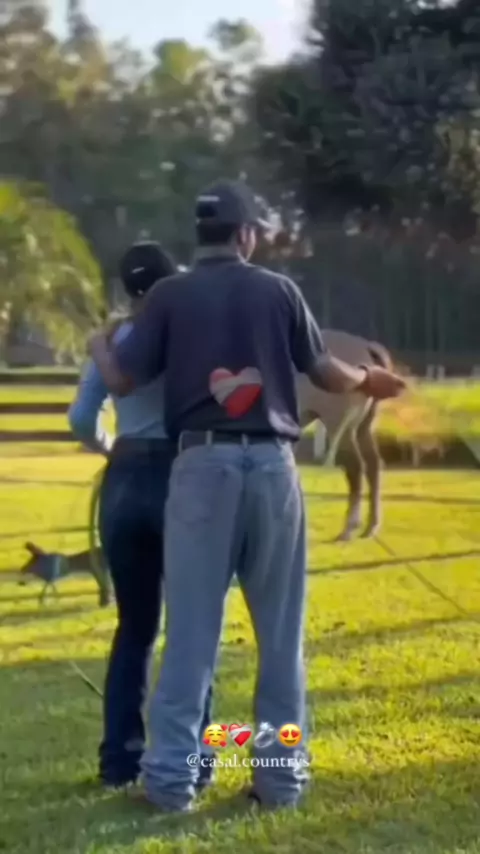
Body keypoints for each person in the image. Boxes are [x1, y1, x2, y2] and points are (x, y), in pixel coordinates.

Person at [89, 180, 406, 812]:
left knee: (190, 636)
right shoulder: (278, 290)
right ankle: (278, 779)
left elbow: (123, 379)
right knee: (280, 638)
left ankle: (171, 783)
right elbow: (324, 371)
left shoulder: (169, 297)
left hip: (199, 467)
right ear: (245, 234)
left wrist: (99, 343)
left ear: (201, 234)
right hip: (271, 468)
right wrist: (370, 378)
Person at [68, 241, 214, 790]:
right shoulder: (192, 336)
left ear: (127, 290)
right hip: (181, 473)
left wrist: (112, 447)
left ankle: (119, 761)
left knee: (134, 626)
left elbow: (81, 419)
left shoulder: (112, 341)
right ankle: (191, 758)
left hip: (125, 475)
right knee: (191, 627)